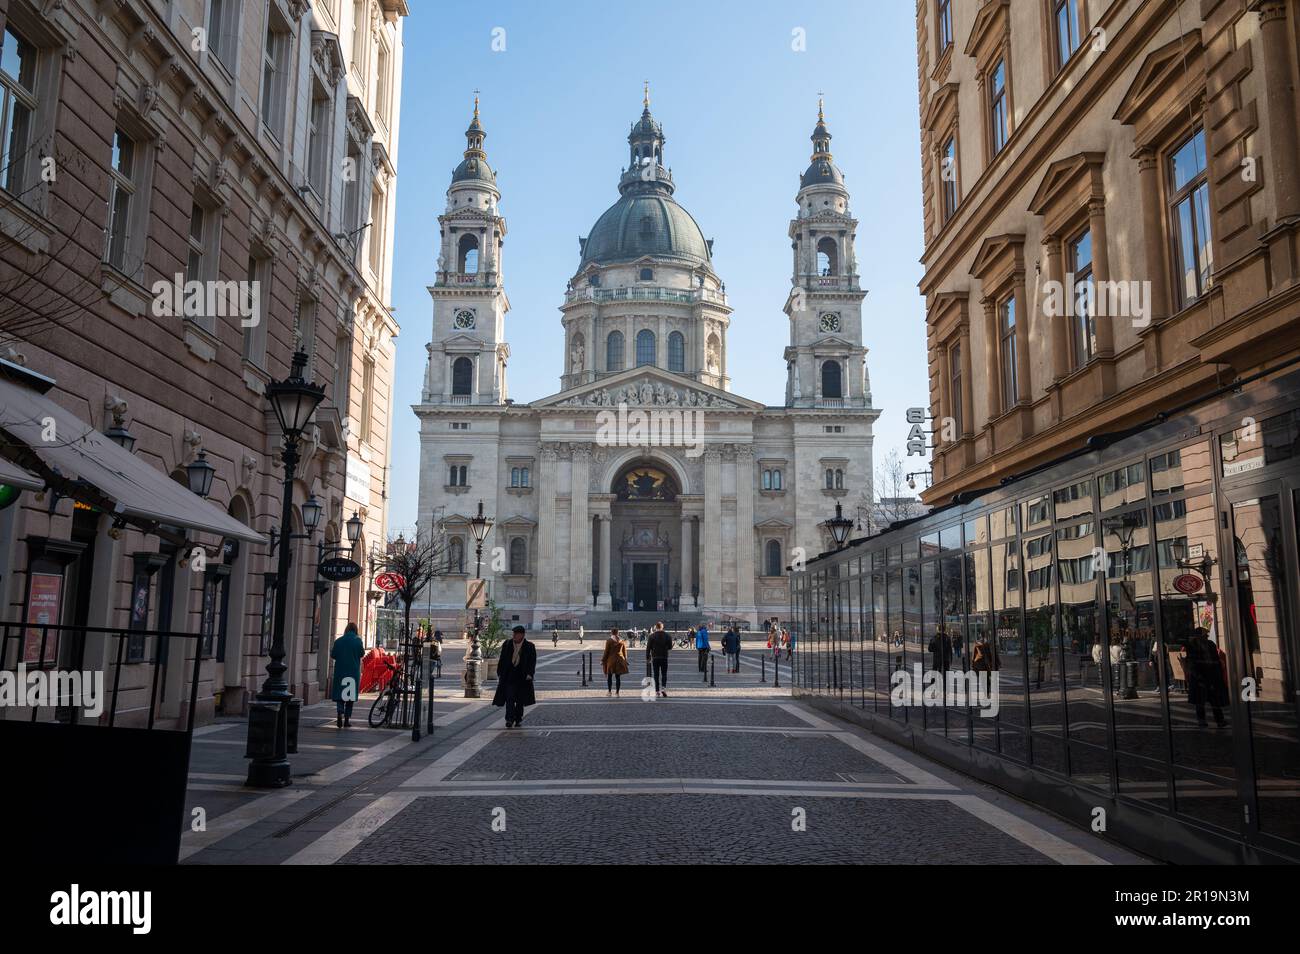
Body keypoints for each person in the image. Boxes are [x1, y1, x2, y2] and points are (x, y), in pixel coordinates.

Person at [1181, 627, 1228, 727]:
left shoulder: (1210, 644)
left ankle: (1219, 720)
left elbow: (1216, 660)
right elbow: (1192, 663)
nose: (1206, 637)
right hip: (1200, 676)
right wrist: (1197, 676)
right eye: (1204, 636)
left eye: (1206, 636)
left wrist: (1218, 673)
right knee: (1200, 701)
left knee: (1214, 700)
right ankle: (1201, 720)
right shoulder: (1193, 646)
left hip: (1211, 675)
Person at [492, 625, 537, 728]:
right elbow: (502, 659)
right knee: (509, 699)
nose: (514, 635)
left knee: (520, 700)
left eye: (516, 634)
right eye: (513, 633)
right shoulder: (507, 644)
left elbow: (532, 662)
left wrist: (530, 674)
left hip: (522, 677)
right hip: (509, 676)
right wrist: (500, 672)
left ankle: (518, 719)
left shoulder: (529, 646)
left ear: (522, 635)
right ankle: (509, 719)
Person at [329, 622, 365, 729]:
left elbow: (333, 655)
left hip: (340, 671)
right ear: (355, 630)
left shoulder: (338, 641)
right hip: (353, 672)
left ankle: (340, 712)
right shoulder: (358, 641)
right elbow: (362, 653)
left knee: (340, 694)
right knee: (349, 696)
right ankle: (347, 720)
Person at [601, 627, 629, 696]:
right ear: (617, 632)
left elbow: (606, 652)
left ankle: (609, 692)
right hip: (619, 660)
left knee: (609, 677)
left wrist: (603, 660)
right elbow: (625, 652)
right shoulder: (621, 641)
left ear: (611, 632)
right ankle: (617, 692)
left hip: (611, 661)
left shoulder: (609, 641)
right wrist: (625, 660)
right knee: (618, 677)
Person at [647, 621, 672, 696]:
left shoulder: (652, 636)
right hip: (664, 656)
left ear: (656, 627)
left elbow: (648, 648)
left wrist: (647, 657)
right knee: (664, 673)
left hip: (655, 657)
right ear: (662, 627)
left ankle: (657, 691)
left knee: (656, 674)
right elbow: (670, 647)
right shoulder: (667, 635)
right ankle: (663, 688)